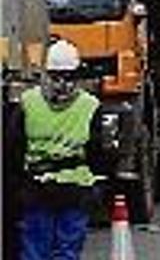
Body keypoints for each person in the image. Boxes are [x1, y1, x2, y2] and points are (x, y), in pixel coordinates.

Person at [8, 39, 107, 260]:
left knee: (36, 251)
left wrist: (16, 187)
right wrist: (100, 186)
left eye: (67, 78)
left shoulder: (28, 102)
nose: (62, 84)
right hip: (70, 190)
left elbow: (13, 150)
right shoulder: (89, 106)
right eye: (58, 77)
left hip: (41, 189)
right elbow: (97, 153)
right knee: (65, 252)